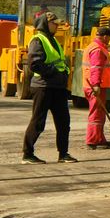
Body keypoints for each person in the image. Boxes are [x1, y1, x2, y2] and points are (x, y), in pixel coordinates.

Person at [22, 10, 75, 164]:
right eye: (54, 23)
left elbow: (59, 61)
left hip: (57, 87)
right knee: (38, 122)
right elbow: (34, 64)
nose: (57, 26)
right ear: (46, 24)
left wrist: (63, 75)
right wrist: (54, 73)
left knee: (64, 122)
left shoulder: (53, 40)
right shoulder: (38, 40)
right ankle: (27, 154)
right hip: (44, 87)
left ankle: (63, 154)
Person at [84, 22, 110, 148]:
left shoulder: (93, 46)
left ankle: (99, 138)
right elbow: (96, 68)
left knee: (100, 113)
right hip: (96, 86)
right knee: (96, 113)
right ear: (104, 36)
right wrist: (96, 85)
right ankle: (92, 140)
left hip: (95, 86)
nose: (109, 40)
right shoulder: (97, 50)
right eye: (108, 37)